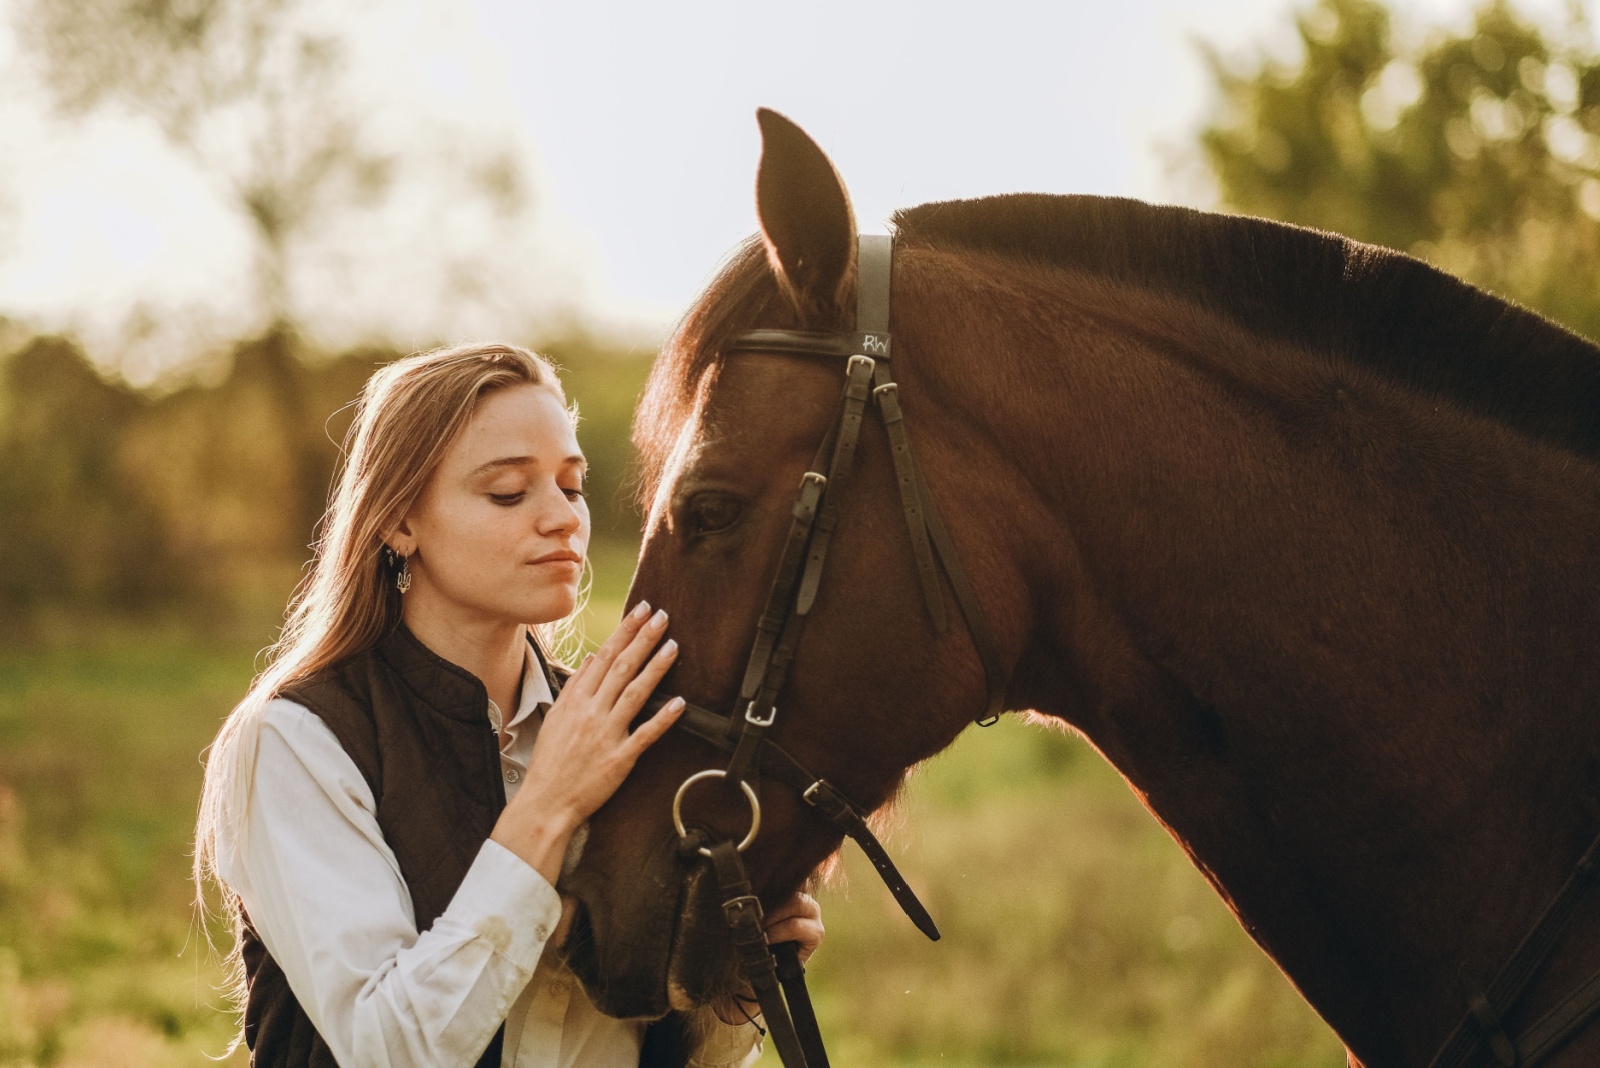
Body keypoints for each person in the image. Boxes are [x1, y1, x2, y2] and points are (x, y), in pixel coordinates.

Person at [193, 343, 823, 1068]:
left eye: (572, 485)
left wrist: (733, 990)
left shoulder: (617, 731)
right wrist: (549, 803)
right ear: (400, 522)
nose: (561, 519)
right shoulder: (299, 741)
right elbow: (384, 1050)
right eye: (508, 492)